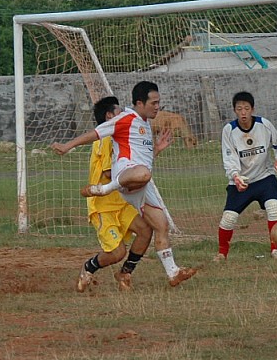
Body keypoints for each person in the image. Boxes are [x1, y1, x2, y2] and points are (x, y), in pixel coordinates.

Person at [52, 81, 197, 289]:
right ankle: (89, 265)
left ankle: (169, 272)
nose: (158, 107)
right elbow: (96, 136)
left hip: (131, 191)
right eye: (154, 103)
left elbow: (142, 160)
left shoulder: (144, 125)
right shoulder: (122, 123)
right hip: (110, 198)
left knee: (159, 226)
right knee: (117, 252)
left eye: (159, 102)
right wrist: (67, 146)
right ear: (140, 103)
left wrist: (156, 149)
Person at [75, 96, 155, 293]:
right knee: (117, 253)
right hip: (103, 207)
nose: (124, 114)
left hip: (121, 202)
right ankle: (89, 268)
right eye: (119, 111)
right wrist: (136, 178)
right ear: (109, 116)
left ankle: (125, 274)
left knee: (145, 230)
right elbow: (109, 173)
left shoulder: (120, 137)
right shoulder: (105, 139)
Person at [215, 91, 277, 262]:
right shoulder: (229, 130)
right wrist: (235, 176)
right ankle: (222, 253)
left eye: (246, 109)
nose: (243, 113)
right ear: (234, 111)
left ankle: (275, 249)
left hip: (265, 178)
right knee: (228, 219)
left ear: (252, 109)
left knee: (273, 208)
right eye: (239, 109)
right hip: (242, 181)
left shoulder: (264, 124)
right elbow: (229, 157)